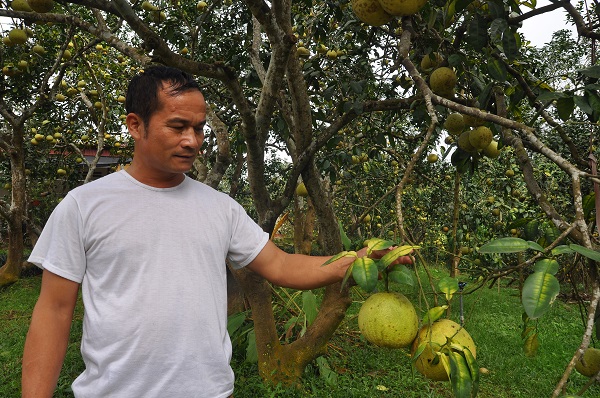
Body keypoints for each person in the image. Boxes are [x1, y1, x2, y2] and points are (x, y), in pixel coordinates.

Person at [21, 66, 412, 398]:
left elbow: (283, 265)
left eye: (198, 128)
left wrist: (357, 261)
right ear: (135, 125)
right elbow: (54, 310)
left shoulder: (219, 207)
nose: (192, 141)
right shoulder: (84, 205)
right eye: (177, 126)